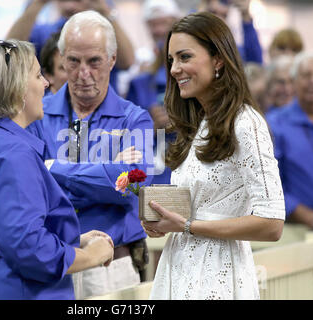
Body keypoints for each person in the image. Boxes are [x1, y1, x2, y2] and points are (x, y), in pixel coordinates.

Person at [0, 39, 114, 300]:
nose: (46, 84)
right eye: (38, 74)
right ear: (17, 88)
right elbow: (28, 249)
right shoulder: (13, 153)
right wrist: (92, 255)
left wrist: (72, 240)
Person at [141, 12, 285, 300]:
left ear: (218, 59)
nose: (174, 69)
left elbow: (272, 223)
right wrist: (165, 222)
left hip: (218, 278)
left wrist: (186, 226)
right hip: (179, 269)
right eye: (171, 60)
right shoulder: (197, 123)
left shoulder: (246, 123)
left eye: (184, 57)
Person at [27, 11, 154, 299]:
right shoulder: (37, 115)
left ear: (112, 60)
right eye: (73, 61)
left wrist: (51, 168)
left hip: (112, 263)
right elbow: (31, 187)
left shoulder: (135, 119)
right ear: (61, 58)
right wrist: (107, 172)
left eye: (94, 61)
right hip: (52, 259)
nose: (83, 73)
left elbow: (132, 186)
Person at [7, 0, 135, 94]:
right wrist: (38, 3)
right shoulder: (46, 32)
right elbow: (9, 53)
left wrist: (105, 10)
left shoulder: (104, 30)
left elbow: (127, 61)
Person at [126, 0, 182, 184]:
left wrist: (181, 121)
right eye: (153, 24)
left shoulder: (201, 81)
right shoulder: (140, 82)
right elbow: (125, 139)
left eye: (163, 23)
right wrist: (151, 128)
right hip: (151, 177)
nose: (158, 31)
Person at [267, 52, 313, 231]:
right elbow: (271, 184)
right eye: (307, 76)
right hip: (295, 230)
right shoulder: (276, 124)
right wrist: (311, 218)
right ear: (294, 82)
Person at [198, 0, 262, 64]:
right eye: (214, 12)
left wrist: (246, 17)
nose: (219, 19)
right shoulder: (195, 40)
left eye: (224, 15)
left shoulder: (234, 50)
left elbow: (256, 64)